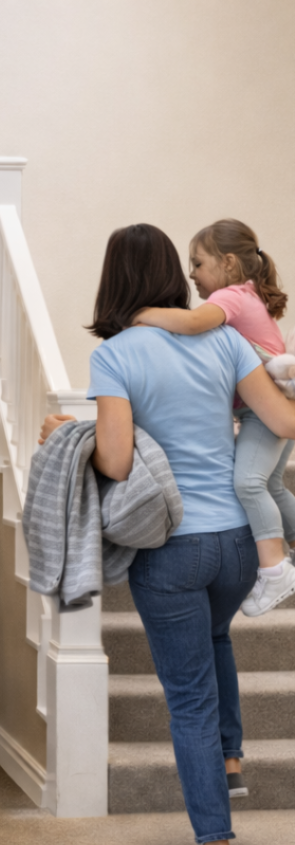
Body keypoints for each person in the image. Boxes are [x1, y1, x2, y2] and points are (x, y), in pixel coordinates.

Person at [40, 224, 295, 845]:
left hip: (173, 551)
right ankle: (231, 762)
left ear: (114, 280)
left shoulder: (117, 356)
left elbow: (117, 459)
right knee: (216, 642)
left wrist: (72, 435)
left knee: (188, 700)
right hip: (238, 541)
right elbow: (280, 420)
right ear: (171, 279)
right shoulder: (227, 338)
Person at [133, 218, 295, 615]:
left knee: (249, 483)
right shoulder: (252, 295)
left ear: (227, 263)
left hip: (265, 414)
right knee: (272, 486)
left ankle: (275, 569)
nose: (192, 273)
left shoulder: (235, 297)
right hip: (275, 406)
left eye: (198, 263)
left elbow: (191, 323)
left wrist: (143, 314)